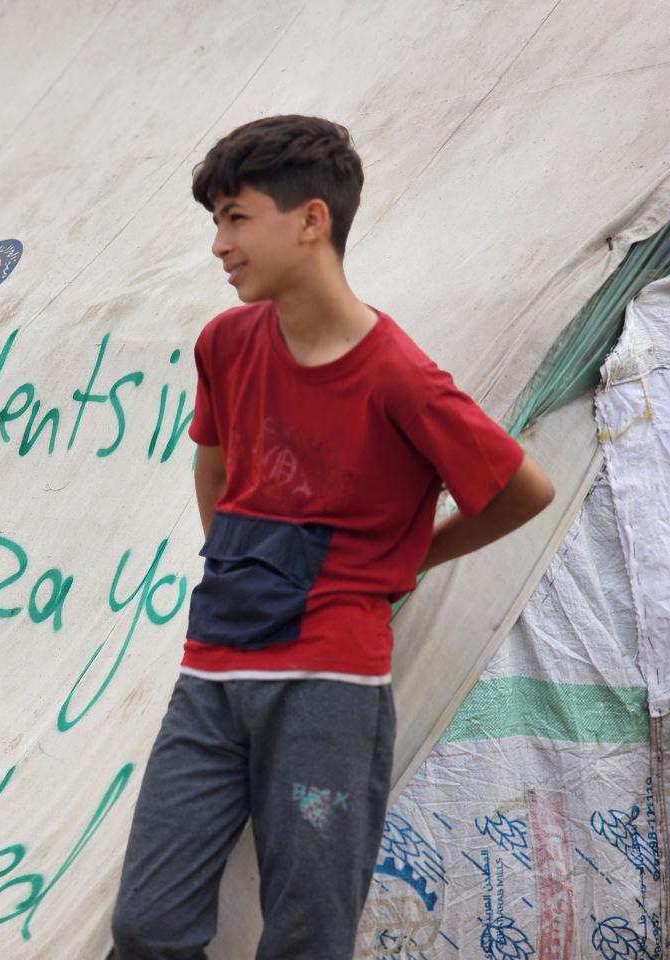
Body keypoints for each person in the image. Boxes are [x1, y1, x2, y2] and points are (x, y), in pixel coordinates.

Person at [109, 116, 555, 960]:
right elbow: (213, 467)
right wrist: (243, 570)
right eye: (216, 222)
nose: (219, 246)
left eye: (236, 218)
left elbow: (524, 491)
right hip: (212, 672)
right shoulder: (226, 343)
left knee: (308, 933)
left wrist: (411, 558)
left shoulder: (399, 375)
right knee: (147, 923)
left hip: (329, 690)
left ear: (311, 220)